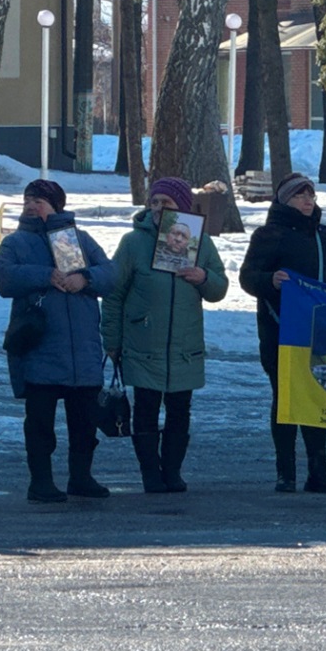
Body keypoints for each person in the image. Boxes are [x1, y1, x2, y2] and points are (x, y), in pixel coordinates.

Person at [0, 179, 117, 503]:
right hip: (41, 350)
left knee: (84, 425)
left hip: (83, 353)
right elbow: (4, 279)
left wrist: (85, 278)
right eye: (28, 200)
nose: (32, 205)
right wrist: (44, 275)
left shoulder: (80, 240)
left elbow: (111, 275)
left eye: (40, 201)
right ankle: (41, 481)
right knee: (40, 425)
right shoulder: (15, 242)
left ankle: (81, 477)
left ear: (56, 206)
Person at [101, 176, 229, 493]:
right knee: (145, 410)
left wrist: (203, 277)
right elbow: (114, 295)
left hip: (184, 345)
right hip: (144, 343)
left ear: (182, 208)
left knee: (179, 411)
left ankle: (172, 471)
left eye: (166, 203)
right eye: (154, 202)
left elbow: (220, 288)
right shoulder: (133, 244)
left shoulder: (201, 243)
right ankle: (150, 474)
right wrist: (112, 341)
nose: (159, 208)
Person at [240, 171, 326, 493]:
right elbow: (248, 277)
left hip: (323, 335)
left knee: (318, 398)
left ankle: (318, 471)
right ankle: (285, 472)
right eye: (300, 195)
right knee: (287, 400)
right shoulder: (270, 235)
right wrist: (271, 281)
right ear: (284, 200)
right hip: (281, 334)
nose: (307, 201)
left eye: (311, 195)